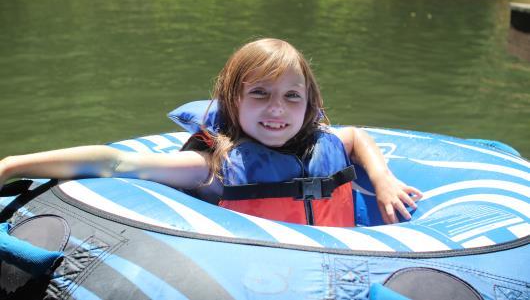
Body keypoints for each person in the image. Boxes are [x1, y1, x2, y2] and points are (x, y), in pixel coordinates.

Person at [0, 38, 421, 226]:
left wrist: (383, 179)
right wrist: (12, 164)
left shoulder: (324, 142)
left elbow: (355, 137)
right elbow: (117, 162)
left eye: (292, 96)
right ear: (232, 100)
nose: (277, 109)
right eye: (260, 93)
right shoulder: (214, 165)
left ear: (310, 105)